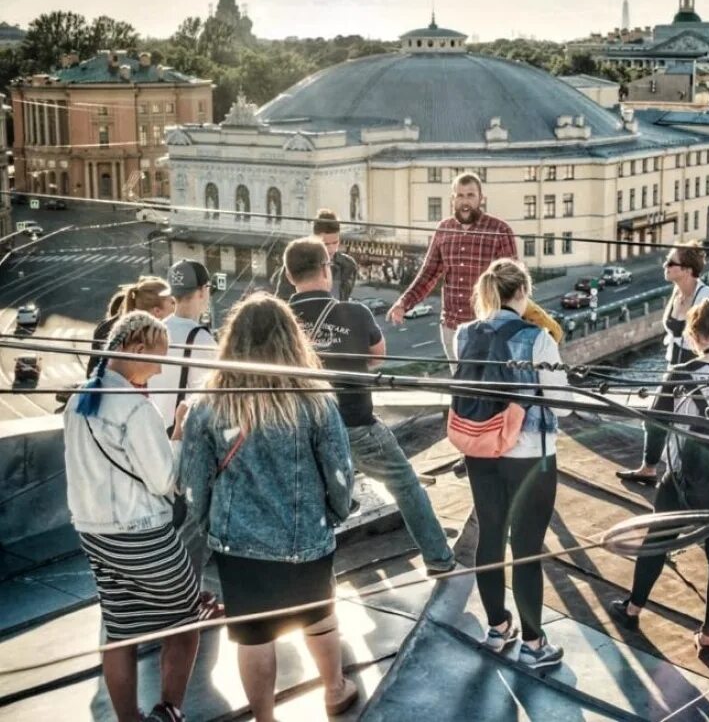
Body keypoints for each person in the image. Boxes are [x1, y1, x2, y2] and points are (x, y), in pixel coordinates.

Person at [177, 294, 357, 721]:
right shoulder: (314, 399)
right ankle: (334, 689)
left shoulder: (208, 404)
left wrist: (210, 525)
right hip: (306, 538)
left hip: (238, 544)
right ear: (291, 342)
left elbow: (193, 482)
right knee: (320, 618)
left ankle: (265, 717)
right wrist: (336, 513)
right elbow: (340, 470)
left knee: (254, 637)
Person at [283, 237, 455, 574]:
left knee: (310, 501)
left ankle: (310, 578)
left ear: (289, 276)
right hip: (356, 423)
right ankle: (439, 559)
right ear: (325, 269)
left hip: (304, 431)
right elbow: (377, 358)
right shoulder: (355, 312)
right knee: (404, 483)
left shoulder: (280, 320)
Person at [65, 311, 200, 722]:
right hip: (142, 533)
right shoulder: (136, 410)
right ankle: (168, 711)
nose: (160, 370)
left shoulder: (79, 399)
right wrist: (178, 431)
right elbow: (164, 480)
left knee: (119, 630)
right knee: (185, 620)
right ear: (135, 349)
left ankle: (129, 719)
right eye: (157, 359)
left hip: (94, 532)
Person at [610, 299, 709, 652]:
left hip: (682, 478)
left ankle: (633, 608)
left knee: (656, 543)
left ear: (693, 334)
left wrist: (652, 462)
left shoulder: (679, 374)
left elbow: (656, 424)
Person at [455, 259, 571, 670]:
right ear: (522, 293)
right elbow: (563, 406)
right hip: (528, 456)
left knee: (490, 535)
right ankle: (535, 643)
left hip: (480, 448)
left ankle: (497, 627)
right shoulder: (537, 337)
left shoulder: (464, 333)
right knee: (525, 548)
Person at [387, 172, 518, 366]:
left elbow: (512, 285)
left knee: (486, 388)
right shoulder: (444, 229)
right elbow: (428, 273)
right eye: (460, 195)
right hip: (451, 328)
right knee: (460, 387)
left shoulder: (499, 230)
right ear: (452, 199)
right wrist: (403, 303)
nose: (465, 201)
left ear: (481, 199)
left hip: (487, 329)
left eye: (471, 195)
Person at [617, 244, 709, 484]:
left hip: (697, 367)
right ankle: (649, 468)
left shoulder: (706, 297)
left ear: (686, 269)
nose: (665, 266)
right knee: (656, 416)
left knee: (703, 421)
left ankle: (707, 476)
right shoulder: (677, 292)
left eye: (670, 263)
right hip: (676, 365)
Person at [148, 259, 219, 578]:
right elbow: (211, 400)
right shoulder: (201, 339)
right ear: (203, 292)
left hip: (153, 440)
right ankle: (189, 593)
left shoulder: (155, 332)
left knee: (165, 524)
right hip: (186, 442)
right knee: (194, 525)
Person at [86, 277, 176, 377]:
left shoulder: (106, 326)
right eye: (172, 302)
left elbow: (91, 373)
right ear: (157, 311)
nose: (175, 306)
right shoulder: (148, 336)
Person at [272, 210, 358, 302]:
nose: (331, 249)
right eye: (326, 244)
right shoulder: (296, 264)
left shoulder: (348, 265)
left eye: (335, 242)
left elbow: (345, 297)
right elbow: (282, 302)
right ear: (314, 240)